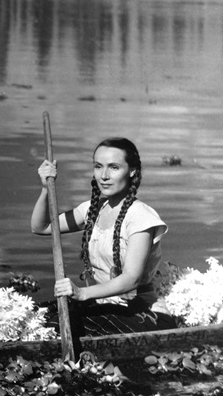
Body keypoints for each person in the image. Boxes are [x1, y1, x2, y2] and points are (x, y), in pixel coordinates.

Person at [31, 137, 179, 336]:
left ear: (132, 171)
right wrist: (45, 188)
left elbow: (131, 279)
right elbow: (42, 227)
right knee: (36, 316)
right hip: (103, 305)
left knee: (59, 329)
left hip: (141, 314)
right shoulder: (93, 210)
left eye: (114, 167)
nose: (104, 176)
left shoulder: (141, 217)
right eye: (98, 166)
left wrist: (82, 293)